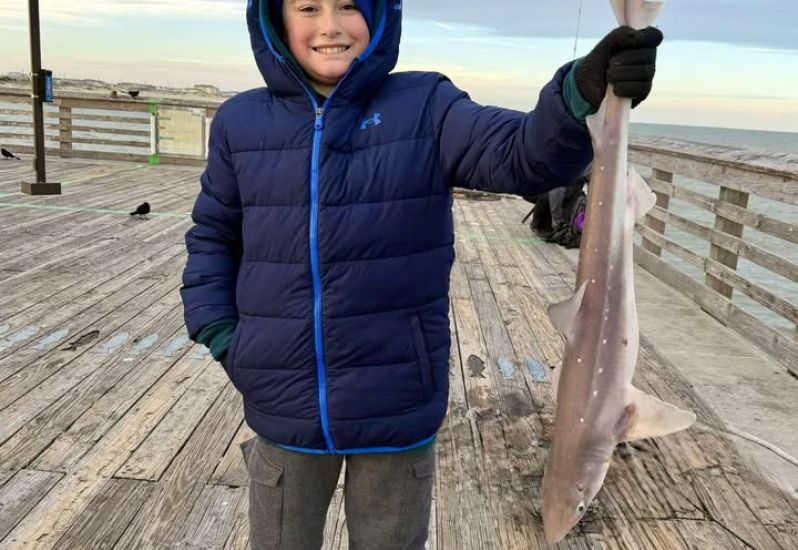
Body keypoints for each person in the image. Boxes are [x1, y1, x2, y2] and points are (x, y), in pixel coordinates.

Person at [180, 1, 662, 548]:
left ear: (378, 15)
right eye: (308, 7)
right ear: (275, 19)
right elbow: (213, 236)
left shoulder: (426, 106)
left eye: (348, 6)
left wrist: (578, 94)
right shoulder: (240, 122)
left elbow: (522, 156)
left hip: (398, 403)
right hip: (281, 401)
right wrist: (222, 335)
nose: (330, 26)